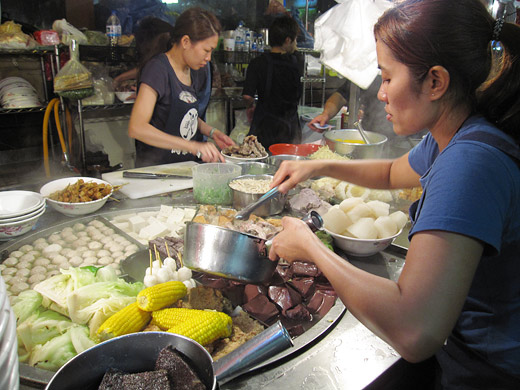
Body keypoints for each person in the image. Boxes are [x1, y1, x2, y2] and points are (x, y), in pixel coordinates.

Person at [269, 0, 520, 388]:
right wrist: (317, 165)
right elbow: (391, 172)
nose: (381, 94)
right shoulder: (454, 136)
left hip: (487, 372)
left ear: (435, 81)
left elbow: (414, 332)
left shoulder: (470, 162)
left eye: (387, 78)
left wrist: (309, 246)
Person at [128, 7, 234, 167]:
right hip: (157, 170)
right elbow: (137, 127)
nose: (208, 58)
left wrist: (212, 132)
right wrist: (192, 146)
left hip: (184, 168)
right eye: (206, 50)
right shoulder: (157, 70)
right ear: (185, 42)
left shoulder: (195, 70)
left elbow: (185, 115)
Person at [242, 14, 303, 149]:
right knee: (289, 164)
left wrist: (250, 106)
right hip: (290, 131)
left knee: (261, 163)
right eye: (295, 40)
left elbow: (247, 96)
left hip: (265, 130)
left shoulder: (257, 63)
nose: (296, 44)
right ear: (287, 40)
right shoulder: (296, 63)